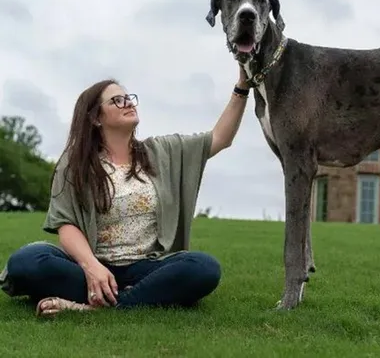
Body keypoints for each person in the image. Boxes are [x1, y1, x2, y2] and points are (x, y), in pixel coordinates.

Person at [0, 64, 250, 317]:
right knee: (26, 261)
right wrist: (92, 267)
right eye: (116, 101)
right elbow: (66, 224)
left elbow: (220, 138)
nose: (128, 103)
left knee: (203, 267)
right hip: (90, 266)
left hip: (147, 267)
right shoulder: (74, 163)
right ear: (96, 118)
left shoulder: (162, 152)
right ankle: (132, 295)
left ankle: (97, 306)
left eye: (129, 98)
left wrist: (242, 87)